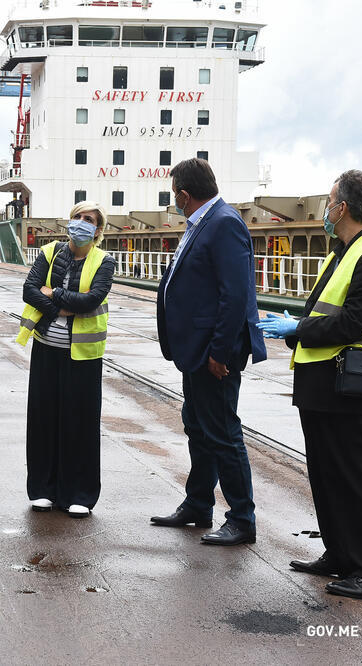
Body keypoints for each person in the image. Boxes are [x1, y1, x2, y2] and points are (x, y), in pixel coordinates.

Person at [257, 169, 362, 600]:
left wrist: (297, 328)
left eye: (330, 199)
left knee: (352, 476)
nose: (326, 205)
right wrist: (295, 330)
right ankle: (339, 553)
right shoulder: (341, 251)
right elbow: (324, 312)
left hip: (347, 380)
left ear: (343, 207)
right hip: (321, 379)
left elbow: (355, 321)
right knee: (325, 473)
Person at [150, 158, 267, 546]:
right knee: (198, 427)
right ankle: (198, 504)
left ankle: (242, 518)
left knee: (222, 432)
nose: (175, 201)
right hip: (194, 351)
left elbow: (235, 296)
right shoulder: (201, 224)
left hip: (214, 354)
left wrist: (220, 351)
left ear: (185, 194)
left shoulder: (224, 223)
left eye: (175, 195)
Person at [16, 201, 115, 517]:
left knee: (80, 424)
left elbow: (91, 301)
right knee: (44, 419)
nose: (82, 223)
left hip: (84, 355)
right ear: (69, 221)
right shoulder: (49, 252)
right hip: (46, 347)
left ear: (98, 230)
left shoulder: (104, 261)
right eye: (78, 217)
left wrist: (53, 294)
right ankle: (43, 489)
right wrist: (61, 307)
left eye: (90, 220)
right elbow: (29, 290)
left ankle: (79, 494)